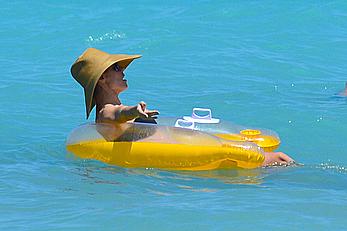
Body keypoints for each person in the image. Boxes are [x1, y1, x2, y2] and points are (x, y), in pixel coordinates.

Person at [70, 48, 295, 167]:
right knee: (276, 159)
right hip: (177, 148)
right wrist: (133, 111)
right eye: (117, 68)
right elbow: (117, 114)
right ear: (101, 80)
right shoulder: (106, 110)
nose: (123, 71)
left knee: (272, 156)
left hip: (178, 143)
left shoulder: (111, 107)